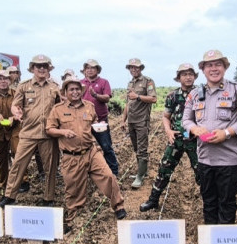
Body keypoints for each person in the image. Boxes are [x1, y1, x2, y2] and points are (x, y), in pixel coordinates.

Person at [183, 49, 237, 224]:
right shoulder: (194, 94)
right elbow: (185, 120)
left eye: (218, 64)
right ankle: (211, 242)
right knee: (209, 203)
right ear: (203, 70)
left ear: (225, 67)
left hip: (229, 161)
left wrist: (226, 133)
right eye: (209, 65)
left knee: (227, 203)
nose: (214, 68)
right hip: (205, 160)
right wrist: (194, 129)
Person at [46, 76, 127, 224]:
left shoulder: (89, 106)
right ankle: (74, 218)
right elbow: (50, 129)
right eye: (72, 89)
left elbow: (94, 121)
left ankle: (118, 206)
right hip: (71, 157)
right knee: (73, 189)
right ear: (66, 91)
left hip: (91, 152)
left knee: (108, 176)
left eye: (78, 89)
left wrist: (98, 124)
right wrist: (63, 132)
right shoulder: (58, 109)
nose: (75, 92)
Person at [0, 54, 61, 207]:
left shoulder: (55, 87)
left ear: (49, 68)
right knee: (18, 164)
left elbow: (60, 106)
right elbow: (15, 104)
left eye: (44, 66)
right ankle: (9, 196)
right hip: (28, 133)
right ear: (32, 68)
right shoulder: (24, 86)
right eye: (38, 66)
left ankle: (49, 198)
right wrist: (16, 111)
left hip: (48, 134)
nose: (41, 69)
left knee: (50, 168)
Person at [140, 63, 200, 212]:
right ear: (178, 78)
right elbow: (166, 116)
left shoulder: (202, 94)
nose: (188, 77)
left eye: (190, 74)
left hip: (195, 140)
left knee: (202, 172)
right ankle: (153, 200)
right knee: (164, 168)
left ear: (195, 76)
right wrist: (168, 131)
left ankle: (210, 204)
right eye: (184, 74)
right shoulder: (172, 96)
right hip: (177, 139)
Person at [121, 58, 157, 188]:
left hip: (142, 120)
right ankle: (143, 171)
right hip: (131, 121)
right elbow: (128, 103)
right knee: (136, 148)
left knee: (142, 149)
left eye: (136, 67)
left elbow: (153, 99)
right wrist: (123, 120)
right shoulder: (130, 83)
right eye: (131, 67)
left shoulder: (148, 81)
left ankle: (140, 176)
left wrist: (138, 97)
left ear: (140, 68)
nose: (133, 70)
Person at [80, 59, 119, 176]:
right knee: (84, 146)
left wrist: (95, 95)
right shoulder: (80, 83)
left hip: (100, 120)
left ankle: (113, 172)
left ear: (97, 70)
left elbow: (107, 98)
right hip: (84, 120)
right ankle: (87, 171)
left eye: (92, 68)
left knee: (106, 146)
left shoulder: (103, 82)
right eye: (87, 68)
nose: (90, 70)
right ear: (84, 70)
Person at [0, 70, 18, 190]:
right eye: (0, 79)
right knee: (1, 157)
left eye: (6, 78)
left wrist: (15, 117)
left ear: (9, 81)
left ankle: (22, 181)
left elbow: (23, 108)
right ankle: (4, 182)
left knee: (18, 154)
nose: (3, 81)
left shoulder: (16, 94)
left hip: (15, 129)